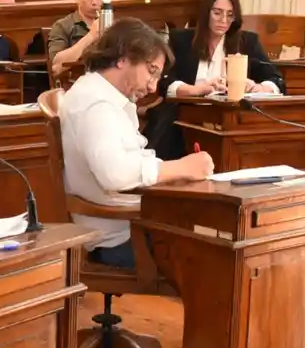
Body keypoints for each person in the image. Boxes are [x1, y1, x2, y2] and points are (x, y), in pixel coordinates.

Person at [60, 20, 215, 268]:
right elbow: (116, 175)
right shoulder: (97, 105)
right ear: (123, 58)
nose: (153, 85)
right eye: (151, 71)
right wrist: (181, 168)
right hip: (122, 238)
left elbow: (129, 161)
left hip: (134, 226)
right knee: (221, 256)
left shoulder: (100, 95)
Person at [164, 0, 284, 98]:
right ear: (206, 13)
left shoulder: (248, 42)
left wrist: (259, 88)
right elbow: (163, 82)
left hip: (229, 115)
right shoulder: (180, 40)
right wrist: (197, 89)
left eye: (230, 15)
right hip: (185, 113)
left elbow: (277, 81)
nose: (223, 20)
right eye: (217, 13)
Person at [48, 0, 106, 75]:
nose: (94, 2)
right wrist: (91, 36)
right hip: (76, 83)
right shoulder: (62, 26)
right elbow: (56, 66)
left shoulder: (110, 25)